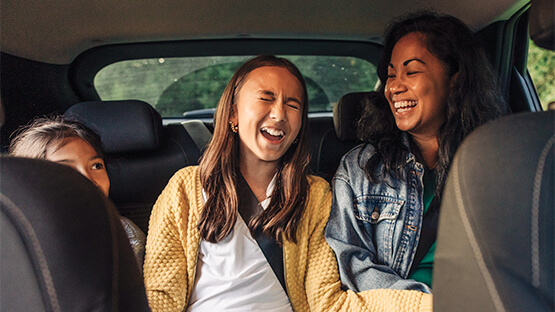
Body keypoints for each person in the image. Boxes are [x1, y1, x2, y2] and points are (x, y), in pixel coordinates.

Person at [142, 55, 432, 312]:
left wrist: (432, 305)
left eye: (292, 104)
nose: (279, 114)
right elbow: (159, 297)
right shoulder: (184, 189)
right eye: (266, 98)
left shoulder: (315, 196)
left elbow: (327, 301)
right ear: (233, 113)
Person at [325, 12, 508, 293]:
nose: (394, 87)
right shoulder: (360, 169)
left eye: (411, 72)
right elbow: (351, 263)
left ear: (454, 80)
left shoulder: (501, 162)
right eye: (390, 75)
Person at [9, 116, 147, 267]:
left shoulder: (125, 237)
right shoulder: (12, 236)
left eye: (96, 166)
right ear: (31, 182)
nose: (88, 178)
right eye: (66, 169)